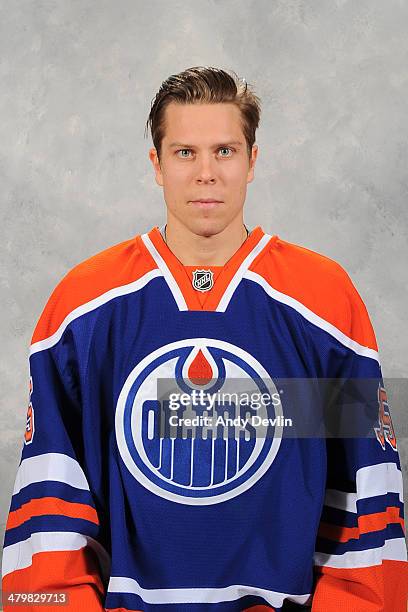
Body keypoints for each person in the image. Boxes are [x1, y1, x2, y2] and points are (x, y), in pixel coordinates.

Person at [1, 66, 407, 611]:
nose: (206, 174)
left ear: (252, 161)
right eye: (185, 153)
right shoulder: (83, 308)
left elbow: (363, 497)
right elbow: (51, 503)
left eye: (225, 150)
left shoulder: (322, 302)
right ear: (157, 165)